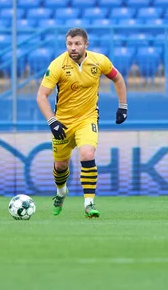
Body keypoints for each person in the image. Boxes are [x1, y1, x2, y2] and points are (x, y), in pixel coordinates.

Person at [36, 27, 128, 218]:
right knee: (61, 165)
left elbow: (118, 79)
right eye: (69, 44)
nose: (73, 48)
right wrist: (52, 122)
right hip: (62, 123)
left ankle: (89, 203)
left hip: (88, 118)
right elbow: (41, 96)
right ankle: (61, 192)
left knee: (87, 154)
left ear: (86, 44)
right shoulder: (57, 65)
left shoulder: (99, 61)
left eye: (77, 43)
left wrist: (123, 106)